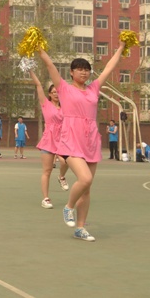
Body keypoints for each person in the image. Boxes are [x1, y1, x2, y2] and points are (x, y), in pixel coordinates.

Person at [38, 38, 125, 242]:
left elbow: (109, 67)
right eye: (79, 69)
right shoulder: (63, 88)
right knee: (84, 179)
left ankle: (80, 228)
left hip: (90, 140)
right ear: (71, 72)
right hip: (70, 140)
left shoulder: (94, 88)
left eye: (86, 70)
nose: (84, 73)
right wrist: (40, 49)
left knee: (86, 189)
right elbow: (50, 65)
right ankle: (68, 207)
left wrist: (121, 47)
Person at [30, 70, 70, 210]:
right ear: (49, 94)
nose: (56, 94)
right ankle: (46, 199)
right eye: (53, 92)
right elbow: (38, 85)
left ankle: (61, 177)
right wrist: (30, 71)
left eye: (58, 92)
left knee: (65, 161)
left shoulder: (66, 107)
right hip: (49, 140)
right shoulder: (45, 104)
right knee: (47, 171)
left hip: (63, 139)